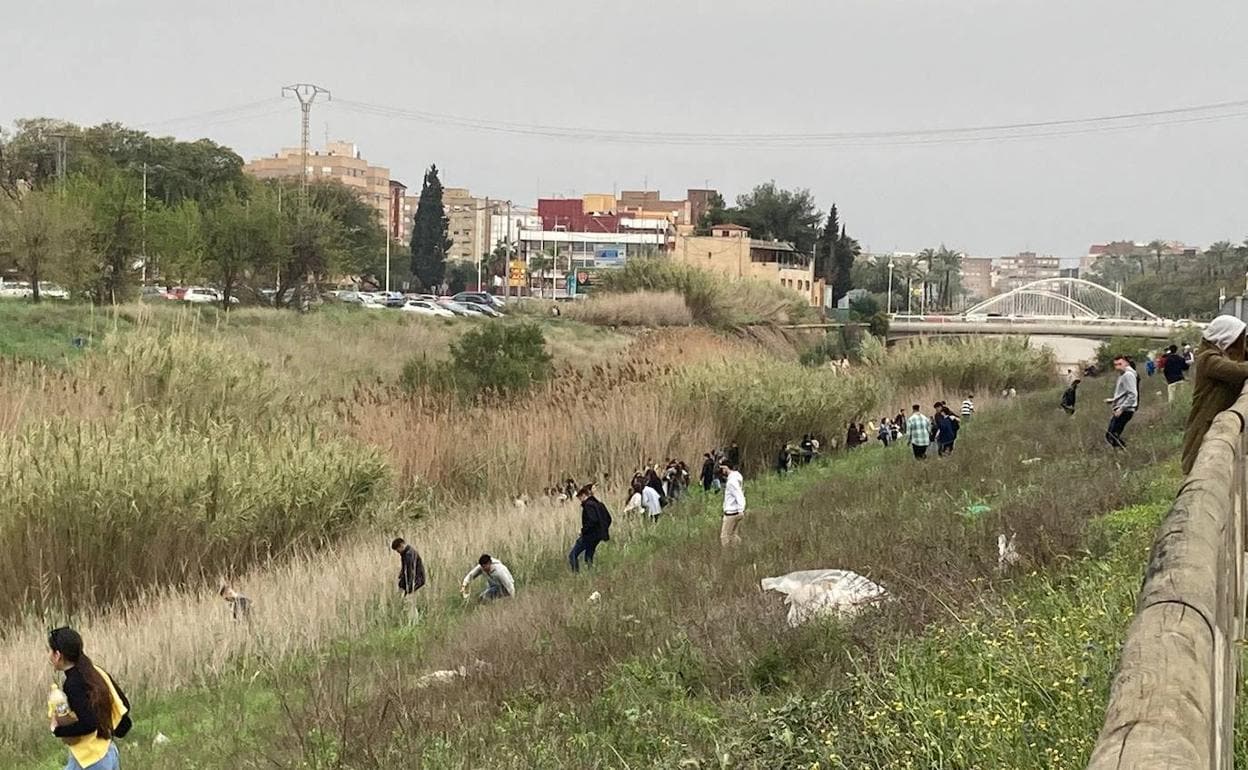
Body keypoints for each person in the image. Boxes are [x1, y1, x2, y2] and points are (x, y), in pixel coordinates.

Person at [48, 627, 131, 770]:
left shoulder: (73, 684)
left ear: (58, 655)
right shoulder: (94, 671)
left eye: (50, 651)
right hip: (107, 751)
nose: (49, 655)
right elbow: (123, 704)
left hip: (92, 759)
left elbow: (88, 724)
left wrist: (58, 730)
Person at [1182, 316, 1248, 473]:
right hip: (1205, 423)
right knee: (1201, 466)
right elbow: (1237, 371)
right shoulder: (1209, 359)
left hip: (1215, 421)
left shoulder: (1220, 355)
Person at [568, 485, 612, 572]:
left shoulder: (588, 505)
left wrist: (583, 531)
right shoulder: (599, 504)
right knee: (588, 557)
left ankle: (576, 575)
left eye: (580, 498)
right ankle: (591, 575)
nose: (580, 501)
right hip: (598, 536)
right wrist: (603, 529)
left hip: (589, 536)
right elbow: (609, 519)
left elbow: (592, 521)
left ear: (584, 495)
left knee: (572, 555)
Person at [1104, 355, 1139, 449]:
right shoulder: (1124, 374)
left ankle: (1125, 451)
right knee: (1111, 435)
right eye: (1115, 365)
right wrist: (1114, 400)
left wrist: (1121, 409)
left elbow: (1132, 395)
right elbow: (1125, 392)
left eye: (1120, 364)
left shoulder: (1128, 375)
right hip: (1122, 408)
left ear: (1126, 363)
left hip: (1125, 410)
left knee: (1111, 436)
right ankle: (1121, 452)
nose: (1117, 367)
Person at [720, 462, 746, 547]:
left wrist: (740, 509)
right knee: (733, 535)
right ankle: (739, 551)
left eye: (723, 468)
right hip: (736, 511)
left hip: (731, 513)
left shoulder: (731, 482)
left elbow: (739, 494)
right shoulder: (737, 477)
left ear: (727, 468)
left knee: (725, 537)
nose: (722, 471)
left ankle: (728, 555)